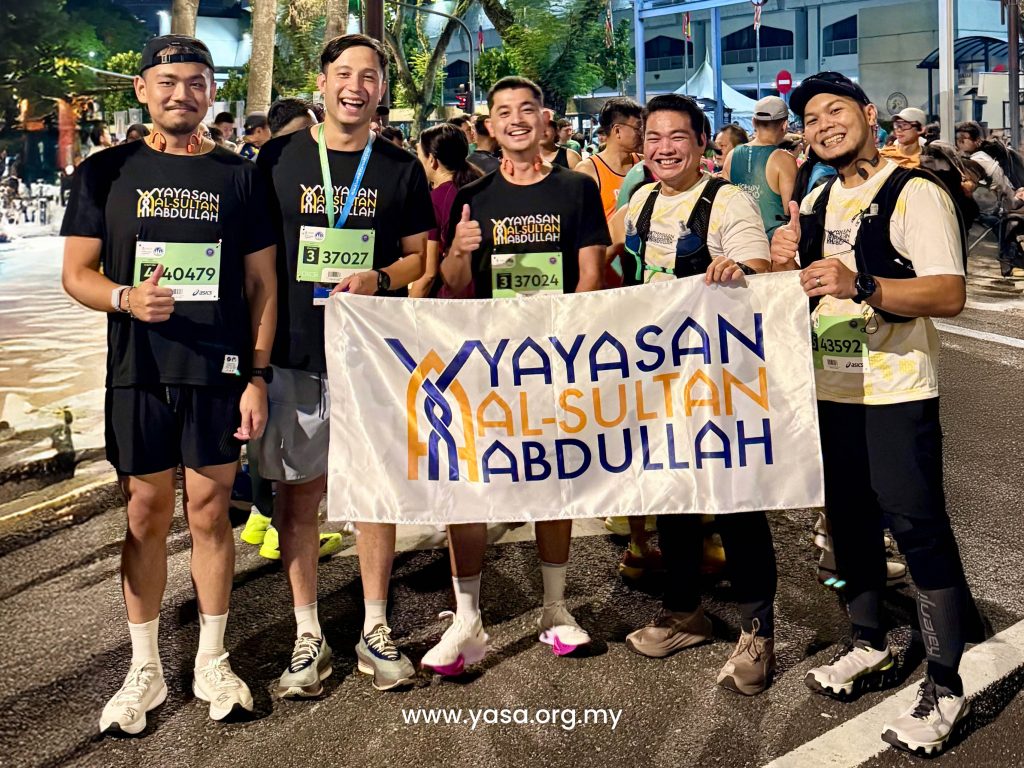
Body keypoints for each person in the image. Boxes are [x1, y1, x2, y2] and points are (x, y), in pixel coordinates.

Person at [60, 34, 277, 735]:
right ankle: (144, 667)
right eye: (168, 81)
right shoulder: (104, 172)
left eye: (196, 82)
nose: (183, 93)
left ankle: (213, 659)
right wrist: (125, 298)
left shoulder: (241, 175)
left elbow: (262, 285)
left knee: (211, 515)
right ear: (142, 89)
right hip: (139, 370)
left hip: (217, 372)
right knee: (145, 516)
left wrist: (257, 375)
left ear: (212, 92)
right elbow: (77, 273)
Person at [773, 71, 976, 757]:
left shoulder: (914, 190)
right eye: (811, 119)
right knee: (849, 522)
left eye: (836, 110)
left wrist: (861, 282)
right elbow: (807, 290)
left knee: (917, 528)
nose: (824, 125)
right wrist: (781, 264)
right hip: (832, 388)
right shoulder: (819, 196)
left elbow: (948, 294)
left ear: (868, 114)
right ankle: (868, 641)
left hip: (895, 389)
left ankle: (945, 683)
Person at [252, 33, 433, 696]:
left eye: (369, 77)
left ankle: (375, 627)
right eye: (345, 74)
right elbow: (254, 263)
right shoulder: (277, 158)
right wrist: (255, 363)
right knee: (298, 497)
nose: (356, 86)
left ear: (381, 90)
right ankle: (308, 634)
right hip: (295, 352)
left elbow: (419, 260)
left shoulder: (399, 167)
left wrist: (379, 278)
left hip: (371, 356)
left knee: (375, 493)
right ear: (322, 82)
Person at [426, 75, 609, 676]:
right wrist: (460, 248)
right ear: (490, 126)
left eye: (526, 109)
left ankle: (555, 608)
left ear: (545, 119)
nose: (516, 120)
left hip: (552, 362)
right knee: (469, 484)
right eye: (503, 112)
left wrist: (564, 344)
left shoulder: (576, 189)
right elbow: (454, 284)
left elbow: (588, 275)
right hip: (486, 365)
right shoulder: (472, 196)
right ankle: (466, 617)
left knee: (553, 480)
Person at [607, 93, 778, 696]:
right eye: (653, 138)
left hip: (719, 382)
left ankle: (758, 631)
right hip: (659, 381)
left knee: (736, 502)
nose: (663, 149)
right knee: (672, 495)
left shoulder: (728, 201)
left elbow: (759, 266)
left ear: (702, 144)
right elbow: (600, 251)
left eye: (677, 137)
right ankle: (685, 613)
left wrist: (741, 270)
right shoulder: (641, 202)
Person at [239, 96, 344, 561]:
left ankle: (263, 518)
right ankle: (275, 526)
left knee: (271, 442)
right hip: (278, 343)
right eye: (304, 135)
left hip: (314, 337)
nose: (314, 143)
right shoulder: (263, 176)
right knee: (274, 440)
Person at [410, 123, 482, 298]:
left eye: (419, 156)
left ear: (432, 160)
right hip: (483, 294)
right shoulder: (480, 188)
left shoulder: (433, 201)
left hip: (450, 299)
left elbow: (428, 274)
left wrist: (407, 306)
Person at [722, 96, 797, 239]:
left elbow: (725, 204)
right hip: (772, 244)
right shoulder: (784, 160)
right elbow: (791, 211)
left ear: (753, 122)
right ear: (785, 124)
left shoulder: (732, 155)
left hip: (738, 241)